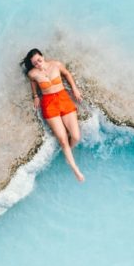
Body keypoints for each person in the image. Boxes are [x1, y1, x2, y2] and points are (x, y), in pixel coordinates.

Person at [21, 48, 85, 182]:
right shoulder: (33, 73)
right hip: (49, 104)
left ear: (43, 57)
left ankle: (68, 150)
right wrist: (35, 96)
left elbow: (67, 74)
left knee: (76, 136)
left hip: (63, 99)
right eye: (35, 63)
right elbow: (33, 84)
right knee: (62, 140)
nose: (38, 64)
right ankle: (74, 168)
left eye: (39, 60)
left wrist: (75, 89)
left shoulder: (56, 65)